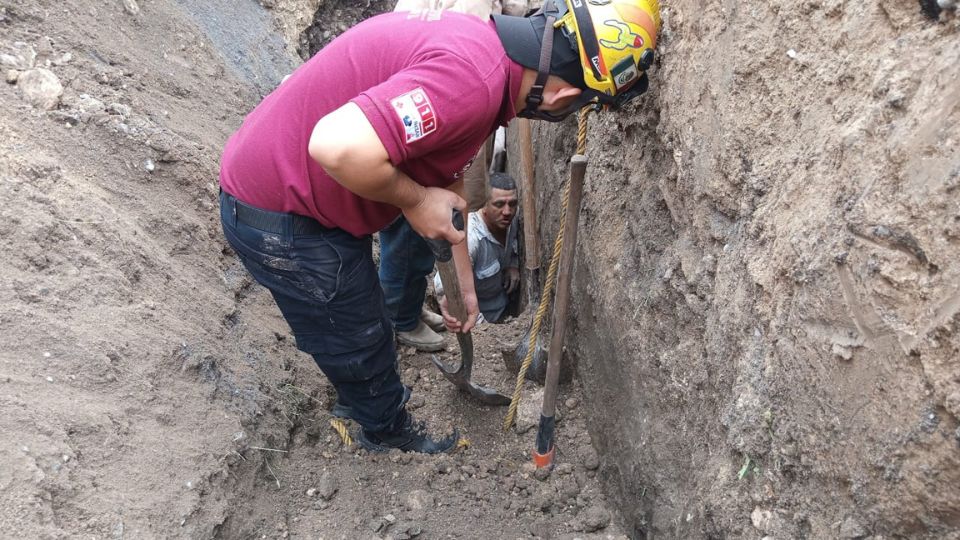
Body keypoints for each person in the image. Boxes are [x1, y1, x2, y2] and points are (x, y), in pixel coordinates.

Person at [218, 0, 661, 454]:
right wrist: (415, 199)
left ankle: (360, 393)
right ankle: (384, 433)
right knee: (358, 332)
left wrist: (462, 283)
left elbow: (446, 168)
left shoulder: (488, 55)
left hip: (289, 182)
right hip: (278, 213)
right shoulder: (471, 82)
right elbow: (337, 147)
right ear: (562, 98)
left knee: (360, 316)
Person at [378, 0, 528, 354]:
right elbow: (513, 20)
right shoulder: (468, 16)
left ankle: (409, 306)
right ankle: (399, 319)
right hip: (434, 111)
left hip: (433, 108)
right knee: (411, 230)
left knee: (424, 231)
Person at [434, 172, 520, 324]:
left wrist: (512, 265)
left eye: (512, 204)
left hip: (501, 307)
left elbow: (514, 242)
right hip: (480, 317)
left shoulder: (510, 221)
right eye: (499, 205)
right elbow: (443, 287)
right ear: (484, 205)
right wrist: (481, 325)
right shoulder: (472, 239)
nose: (507, 212)